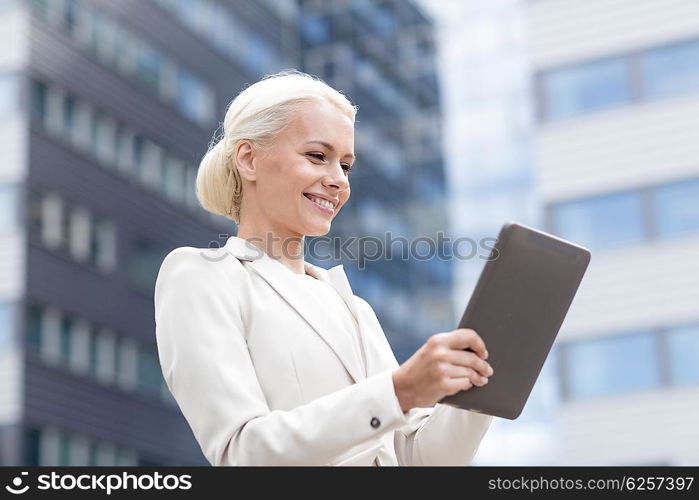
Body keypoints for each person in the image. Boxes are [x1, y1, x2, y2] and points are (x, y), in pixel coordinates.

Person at [154, 69, 494, 466]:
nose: (338, 181)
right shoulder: (202, 276)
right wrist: (399, 391)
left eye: (346, 166)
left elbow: (419, 459)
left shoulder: (353, 309)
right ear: (248, 159)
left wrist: (486, 382)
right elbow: (241, 452)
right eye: (318, 156)